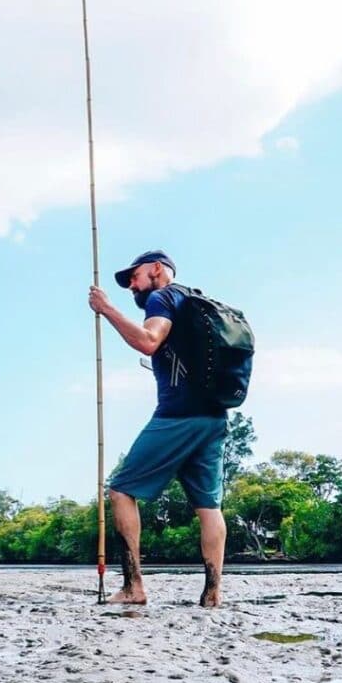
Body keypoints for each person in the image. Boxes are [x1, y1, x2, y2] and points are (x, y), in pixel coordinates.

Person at [88, 250, 227, 607]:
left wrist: (106, 309)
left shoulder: (163, 297)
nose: (131, 285)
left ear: (157, 270)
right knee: (208, 507)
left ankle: (134, 587)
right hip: (214, 418)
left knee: (120, 490)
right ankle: (213, 594)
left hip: (177, 416)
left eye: (134, 276)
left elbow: (148, 341)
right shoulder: (192, 300)